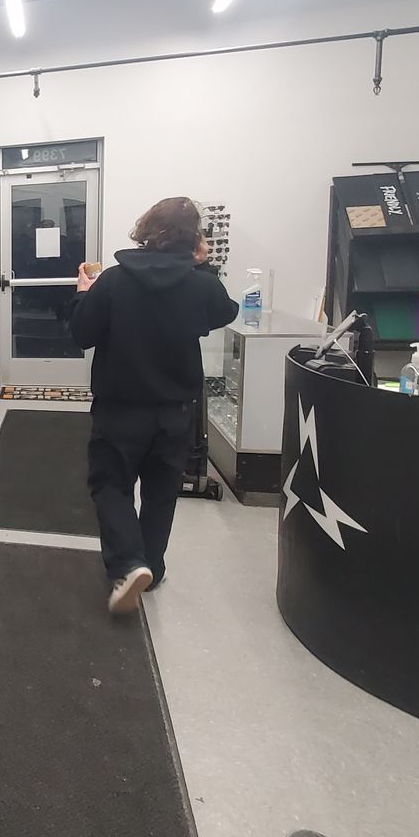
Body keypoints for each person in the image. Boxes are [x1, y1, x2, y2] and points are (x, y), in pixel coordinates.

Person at [70, 197, 238, 615]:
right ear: (194, 237)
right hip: (176, 410)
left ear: (146, 228)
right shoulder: (201, 284)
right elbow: (225, 312)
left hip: (120, 408)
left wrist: (82, 295)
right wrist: (201, 266)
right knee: (162, 491)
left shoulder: (113, 281)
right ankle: (153, 566)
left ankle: (129, 564)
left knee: (111, 484)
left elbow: (81, 334)